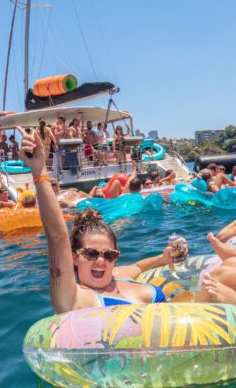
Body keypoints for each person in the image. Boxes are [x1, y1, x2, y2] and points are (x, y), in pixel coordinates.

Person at [16, 127, 184, 312]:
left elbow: (137, 265)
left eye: (109, 255)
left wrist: (164, 257)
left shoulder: (118, 274)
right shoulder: (75, 298)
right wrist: (39, 170)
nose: (101, 261)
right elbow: (57, 236)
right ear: (74, 258)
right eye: (91, 254)